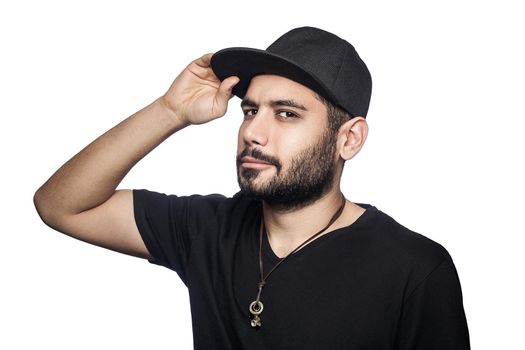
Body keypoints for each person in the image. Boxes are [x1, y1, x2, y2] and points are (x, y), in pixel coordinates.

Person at [33, 26, 470, 349]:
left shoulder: (414, 268)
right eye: (249, 111)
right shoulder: (208, 228)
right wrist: (170, 111)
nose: (252, 133)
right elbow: (60, 206)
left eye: (286, 114)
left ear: (348, 139)